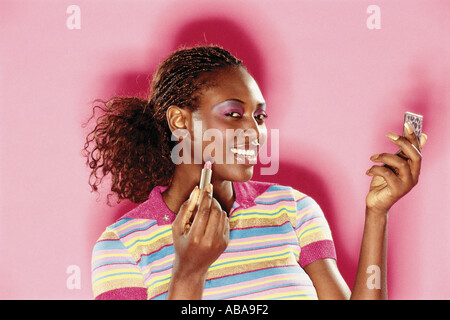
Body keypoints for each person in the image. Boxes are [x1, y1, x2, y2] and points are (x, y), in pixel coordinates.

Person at [84, 45, 427, 300]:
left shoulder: (292, 209)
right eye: (234, 114)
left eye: (259, 117)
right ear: (180, 121)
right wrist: (189, 273)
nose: (255, 131)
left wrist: (377, 213)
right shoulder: (122, 246)